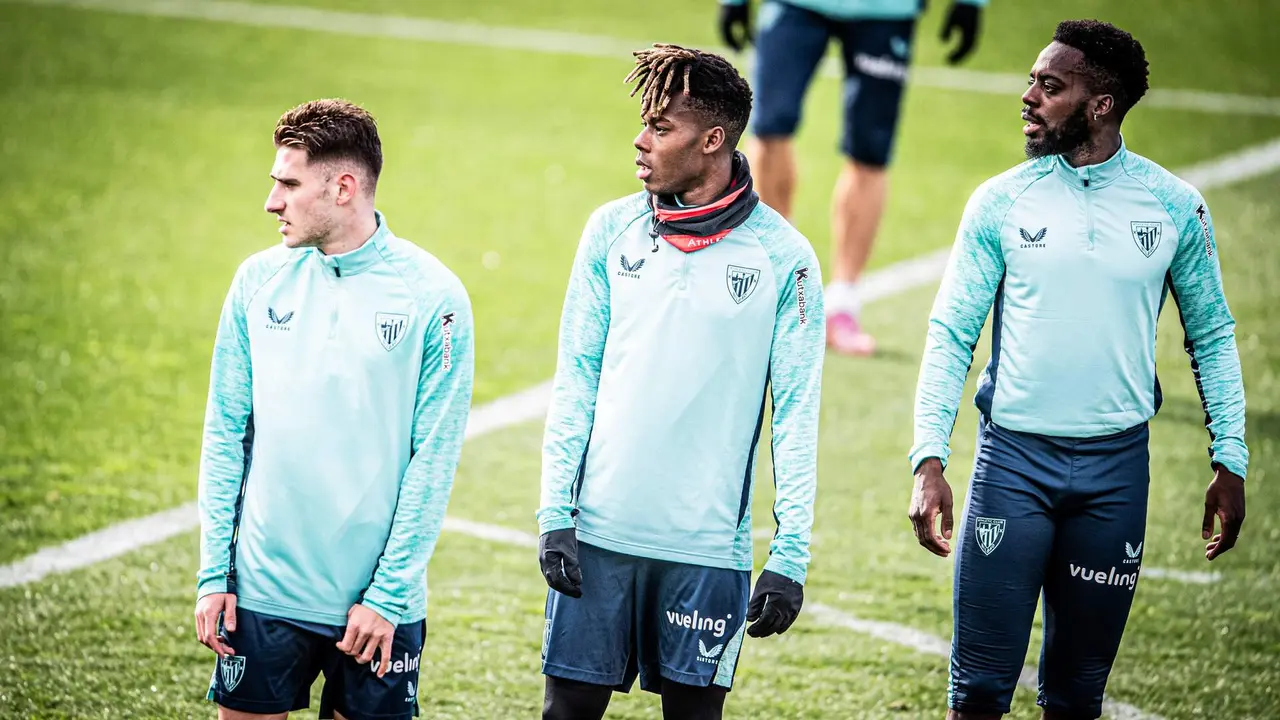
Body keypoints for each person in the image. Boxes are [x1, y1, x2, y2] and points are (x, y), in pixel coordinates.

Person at [906, 20, 1248, 719]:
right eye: (1032, 79)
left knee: (1076, 696)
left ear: (1101, 105)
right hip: (1012, 467)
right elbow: (950, 333)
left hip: (1115, 476)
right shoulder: (1000, 201)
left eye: (1049, 85)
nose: (1027, 96)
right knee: (975, 694)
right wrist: (929, 459)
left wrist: (1230, 458)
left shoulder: (1176, 207)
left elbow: (1211, 333)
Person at [536, 44, 825, 720]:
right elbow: (576, 378)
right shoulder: (611, 231)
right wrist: (555, 514)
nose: (639, 141)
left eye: (661, 127)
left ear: (713, 140)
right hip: (598, 538)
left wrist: (791, 553)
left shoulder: (785, 259)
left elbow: (797, 414)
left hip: (705, 551)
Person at [193, 99, 474, 720]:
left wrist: (390, 595)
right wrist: (215, 574)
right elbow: (224, 435)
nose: (272, 201)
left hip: (376, 607)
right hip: (262, 596)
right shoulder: (256, 282)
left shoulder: (434, 297)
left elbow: (433, 460)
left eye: (288, 184)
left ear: (344, 187)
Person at [718, 0, 988, 356]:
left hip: (885, 12)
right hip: (793, 5)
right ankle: (779, 276)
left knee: (870, 151)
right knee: (768, 128)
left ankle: (843, 304)